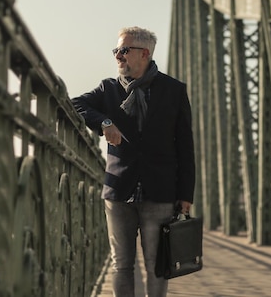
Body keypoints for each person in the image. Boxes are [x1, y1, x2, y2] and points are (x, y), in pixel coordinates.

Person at [72, 26, 195, 297]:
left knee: (156, 266)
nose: (118, 56)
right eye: (116, 50)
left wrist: (186, 194)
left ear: (145, 54)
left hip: (160, 191)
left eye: (124, 50)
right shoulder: (109, 89)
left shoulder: (173, 90)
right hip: (118, 190)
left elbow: (186, 146)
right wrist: (104, 122)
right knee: (122, 265)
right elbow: (76, 104)